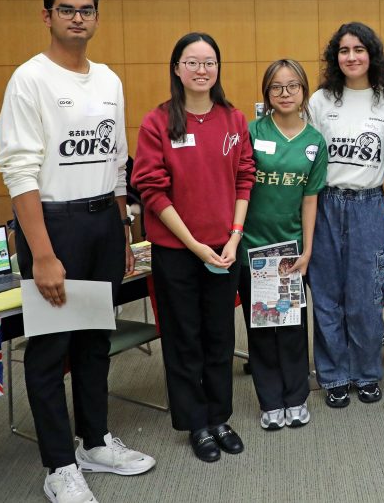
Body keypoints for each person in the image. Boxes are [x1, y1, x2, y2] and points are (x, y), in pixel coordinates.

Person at [0, 0, 155, 503]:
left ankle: (94, 441)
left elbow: (115, 161)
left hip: (102, 225)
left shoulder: (109, 80)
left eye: (86, 9)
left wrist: (123, 232)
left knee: (94, 342)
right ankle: (59, 465)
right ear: (47, 16)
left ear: (96, 17)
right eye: (66, 9)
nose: (77, 18)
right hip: (53, 226)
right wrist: (41, 253)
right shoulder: (29, 80)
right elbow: (19, 172)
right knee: (49, 350)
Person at [132, 32, 255, 463]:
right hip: (177, 252)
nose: (202, 70)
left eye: (209, 62)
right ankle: (196, 423)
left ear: (218, 69)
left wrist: (235, 236)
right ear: (177, 69)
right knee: (185, 337)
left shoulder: (233, 119)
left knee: (220, 334)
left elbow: (245, 177)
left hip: (225, 248)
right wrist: (194, 245)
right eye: (192, 62)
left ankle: (220, 416)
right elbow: (151, 189)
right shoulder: (158, 121)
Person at [306, 22, 384, 407]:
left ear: (372, 55)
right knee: (327, 296)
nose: (351, 57)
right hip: (327, 202)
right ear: (336, 57)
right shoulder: (320, 101)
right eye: (344, 50)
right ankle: (332, 375)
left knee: (366, 296)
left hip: (368, 206)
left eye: (359, 50)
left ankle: (366, 373)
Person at [239, 59, 327, 430]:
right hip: (252, 250)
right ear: (267, 94)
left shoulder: (314, 141)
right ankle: (270, 401)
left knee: (291, 327)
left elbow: (311, 199)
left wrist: (307, 250)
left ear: (304, 91)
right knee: (260, 328)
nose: (285, 93)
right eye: (277, 87)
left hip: (290, 252)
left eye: (292, 86)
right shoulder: (250, 131)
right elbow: (239, 188)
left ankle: (295, 398)